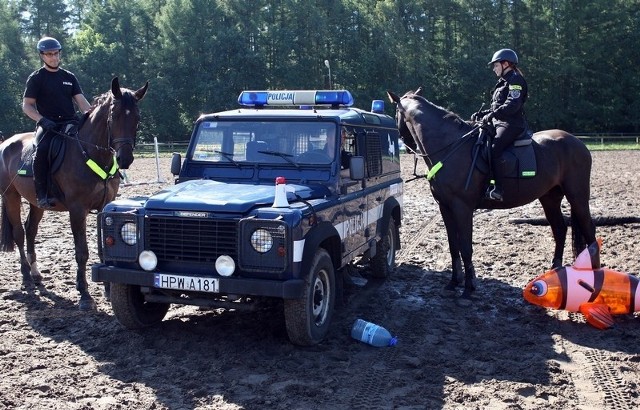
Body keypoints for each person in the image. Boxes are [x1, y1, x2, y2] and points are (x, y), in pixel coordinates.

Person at [22, 36, 91, 209]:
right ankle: (42, 194)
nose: (53, 57)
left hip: (70, 122)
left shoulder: (69, 77)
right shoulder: (36, 78)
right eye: (49, 54)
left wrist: (92, 117)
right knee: (41, 152)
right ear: (42, 56)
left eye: (56, 53)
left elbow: (82, 103)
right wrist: (42, 120)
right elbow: (27, 106)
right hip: (48, 125)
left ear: (60, 53)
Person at [472, 48, 528, 202]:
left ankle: (499, 189)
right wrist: (483, 113)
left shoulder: (516, 80)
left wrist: (493, 114)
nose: (493, 68)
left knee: (495, 148)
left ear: (506, 64)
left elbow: (513, 104)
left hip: (512, 123)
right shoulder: (502, 82)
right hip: (499, 121)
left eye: (495, 65)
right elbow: (497, 106)